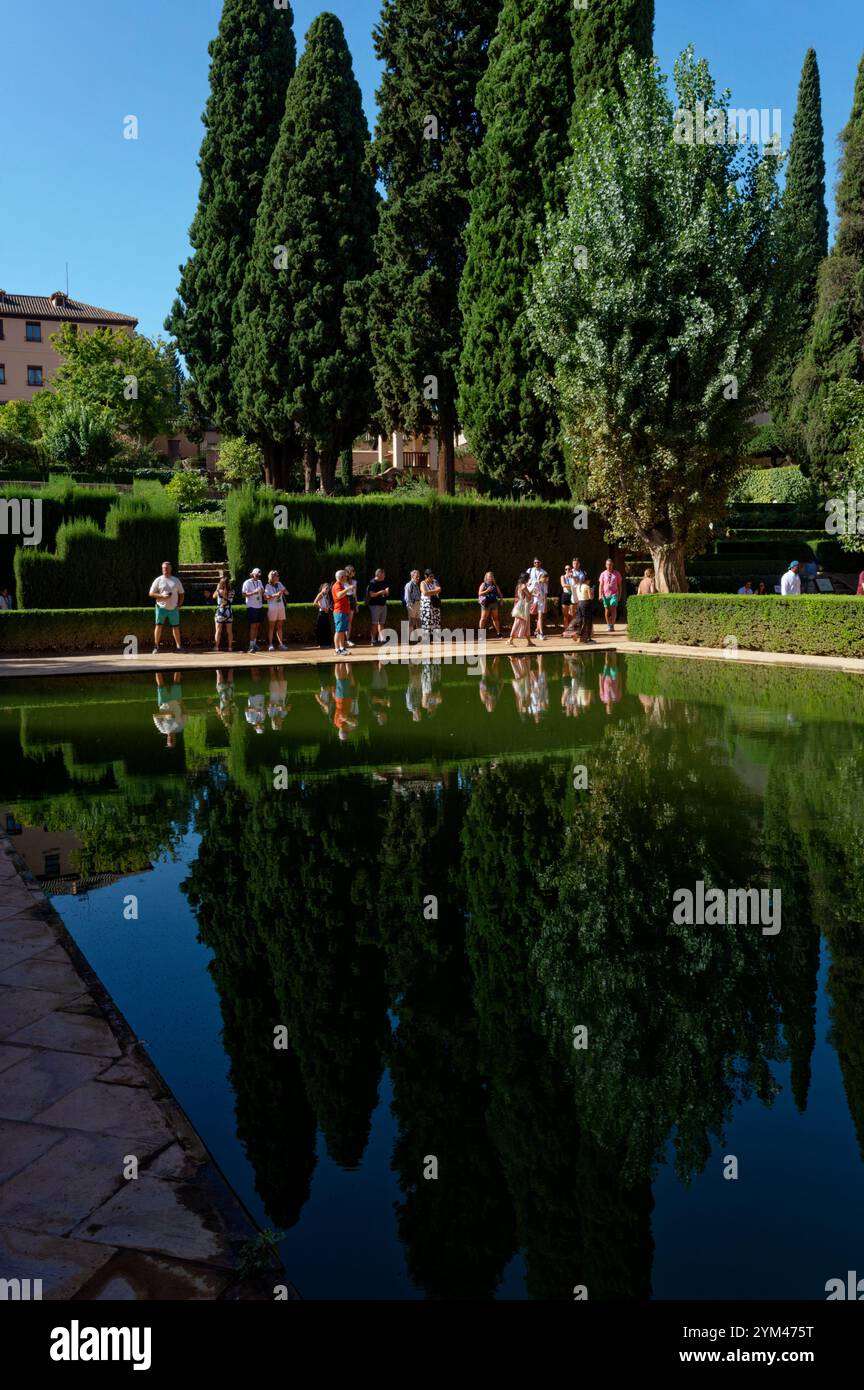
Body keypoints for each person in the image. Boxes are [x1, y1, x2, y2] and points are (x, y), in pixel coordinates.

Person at [149, 561, 185, 655]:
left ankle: (179, 646)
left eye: (167, 568)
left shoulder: (176, 580)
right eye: (164, 568)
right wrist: (162, 596)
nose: (165, 569)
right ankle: (156, 646)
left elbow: (181, 593)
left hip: (173, 608)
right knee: (158, 626)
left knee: (176, 627)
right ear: (162, 569)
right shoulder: (158, 580)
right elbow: (151, 593)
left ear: (170, 569)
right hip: (161, 608)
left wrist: (179, 605)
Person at [153, 671, 186, 747]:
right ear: (175, 739)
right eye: (172, 741)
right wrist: (181, 702)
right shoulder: (180, 728)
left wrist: (168, 715)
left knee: (160, 684)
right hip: (176, 700)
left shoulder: (162, 729)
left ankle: (156, 668)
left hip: (164, 702)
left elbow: (155, 716)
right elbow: (185, 713)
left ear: (167, 739)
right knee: (177, 682)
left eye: (169, 741)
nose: (170, 739)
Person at [242, 567, 266, 652]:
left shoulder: (259, 582)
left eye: (259, 576)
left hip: (259, 605)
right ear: (252, 574)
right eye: (256, 575)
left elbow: (263, 591)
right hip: (251, 606)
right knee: (253, 626)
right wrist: (254, 593)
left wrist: (262, 591)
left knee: (257, 626)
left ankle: (254, 643)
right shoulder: (247, 582)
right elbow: (244, 594)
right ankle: (251, 646)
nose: (257, 577)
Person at [508, 573, 534, 647]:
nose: (529, 579)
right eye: (528, 578)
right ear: (526, 579)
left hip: (521, 606)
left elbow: (517, 597)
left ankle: (529, 641)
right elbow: (529, 597)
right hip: (523, 607)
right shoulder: (524, 586)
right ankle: (510, 640)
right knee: (518, 623)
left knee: (526, 623)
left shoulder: (518, 586)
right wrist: (531, 591)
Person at [265, 570, 288, 651]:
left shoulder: (279, 584)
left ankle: (281, 644)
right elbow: (266, 597)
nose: (278, 577)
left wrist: (284, 591)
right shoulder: (268, 586)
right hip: (272, 608)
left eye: (278, 575)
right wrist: (275, 595)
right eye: (276, 576)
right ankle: (270, 644)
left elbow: (287, 593)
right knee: (271, 627)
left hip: (281, 607)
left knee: (280, 627)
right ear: (272, 577)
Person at [598, 558, 623, 632]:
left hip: (614, 594)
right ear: (606, 565)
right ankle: (608, 624)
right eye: (608, 564)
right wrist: (600, 595)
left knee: (613, 607)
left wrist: (620, 594)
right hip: (605, 595)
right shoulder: (603, 574)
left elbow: (619, 585)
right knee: (607, 609)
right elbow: (601, 585)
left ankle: (612, 625)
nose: (609, 566)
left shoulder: (617, 573)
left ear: (613, 565)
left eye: (610, 564)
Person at [366, 568, 390, 645]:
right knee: (375, 623)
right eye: (383, 574)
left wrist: (387, 591)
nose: (384, 576)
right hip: (374, 605)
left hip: (383, 604)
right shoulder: (372, 582)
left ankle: (382, 639)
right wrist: (380, 592)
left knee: (382, 623)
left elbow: (387, 590)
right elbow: (371, 594)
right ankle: (373, 640)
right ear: (379, 574)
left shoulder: (384, 581)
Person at [331, 569, 352, 655]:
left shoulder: (341, 585)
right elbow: (339, 595)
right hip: (339, 611)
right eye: (345, 576)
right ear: (341, 577)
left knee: (342, 631)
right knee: (338, 631)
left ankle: (342, 648)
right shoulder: (337, 585)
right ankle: (337, 650)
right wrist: (348, 589)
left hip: (342, 611)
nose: (347, 577)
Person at [213, 572, 235, 652]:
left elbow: (213, 596)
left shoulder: (219, 590)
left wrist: (217, 588)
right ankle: (230, 647)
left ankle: (216, 647)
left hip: (220, 611)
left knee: (218, 630)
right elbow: (229, 601)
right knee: (229, 631)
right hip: (229, 611)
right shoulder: (232, 591)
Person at [478, 571, 502, 636]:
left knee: (495, 618)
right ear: (486, 577)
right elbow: (479, 593)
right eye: (489, 576)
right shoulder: (483, 584)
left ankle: (498, 633)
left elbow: (500, 594)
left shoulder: (495, 585)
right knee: (483, 618)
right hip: (486, 603)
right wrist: (487, 591)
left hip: (494, 603)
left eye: (491, 576)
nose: (490, 577)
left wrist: (501, 600)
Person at [420, 568, 442, 636]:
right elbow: (424, 593)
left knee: (436, 621)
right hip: (426, 606)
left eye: (433, 576)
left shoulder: (435, 581)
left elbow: (439, 589)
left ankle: (436, 637)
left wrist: (430, 592)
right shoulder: (422, 583)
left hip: (435, 604)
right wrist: (435, 591)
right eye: (430, 576)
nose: (432, 577)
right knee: (426, 621)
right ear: (426, 576)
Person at [403, 569, 422, 640]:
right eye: (416, 576)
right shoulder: (409, 584)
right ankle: (410, 639)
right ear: (412, 576)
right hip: (412, 604)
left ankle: (419, 638)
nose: (418, 578)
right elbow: (406, 597)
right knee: (412, 622)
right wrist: (411, 605)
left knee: (419, 621)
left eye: (418, 576)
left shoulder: (416, 585)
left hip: (418, 604)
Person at [530, 570, 548, 640]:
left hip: (542, 603)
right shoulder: (535, 583)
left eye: (546, 578)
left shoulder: (545, 585)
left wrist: (545, 605)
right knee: (539, 618)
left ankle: (539, 633)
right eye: (544, 578)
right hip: (536, 602)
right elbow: (529, 592)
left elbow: (545, 596)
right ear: (540, 577)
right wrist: (536, 594)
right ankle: (540, 633)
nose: (545, 579)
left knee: (540, 618)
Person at [314, 581, 333, 647]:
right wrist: (323, 608)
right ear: (323, 588)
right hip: (321, 613)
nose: (327, 590)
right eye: (326, 588)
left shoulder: (327, 595)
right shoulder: (320, 594)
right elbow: (314, 603)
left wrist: (329, 608)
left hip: (326, 613)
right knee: (321, 628)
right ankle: (320, 643)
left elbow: (327, 604)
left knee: (326, 628)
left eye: (328, 589)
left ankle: (326, 643)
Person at [344, 565, 358, 647]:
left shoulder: (355, 581)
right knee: (344, 621)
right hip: (345, 600)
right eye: (353, 571)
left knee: (349, 621)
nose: (354, 573)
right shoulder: (343, 581)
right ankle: (343, 640)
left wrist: (356, 604)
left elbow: (355, 594)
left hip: (351, 600)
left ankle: (347, 639)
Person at [559, 565, 574, 630]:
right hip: (565, 595)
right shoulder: (563, 576)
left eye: (569, 569)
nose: (567, 570)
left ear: (571, 569)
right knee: (565, 615)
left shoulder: (573, 577)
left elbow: (576, 584)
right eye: (566, 569)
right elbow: (563, 585)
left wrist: (570, 585)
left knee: (572, 614)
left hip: (572, 595)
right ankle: (566, 629)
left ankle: (570, 628)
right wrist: (571, 586)